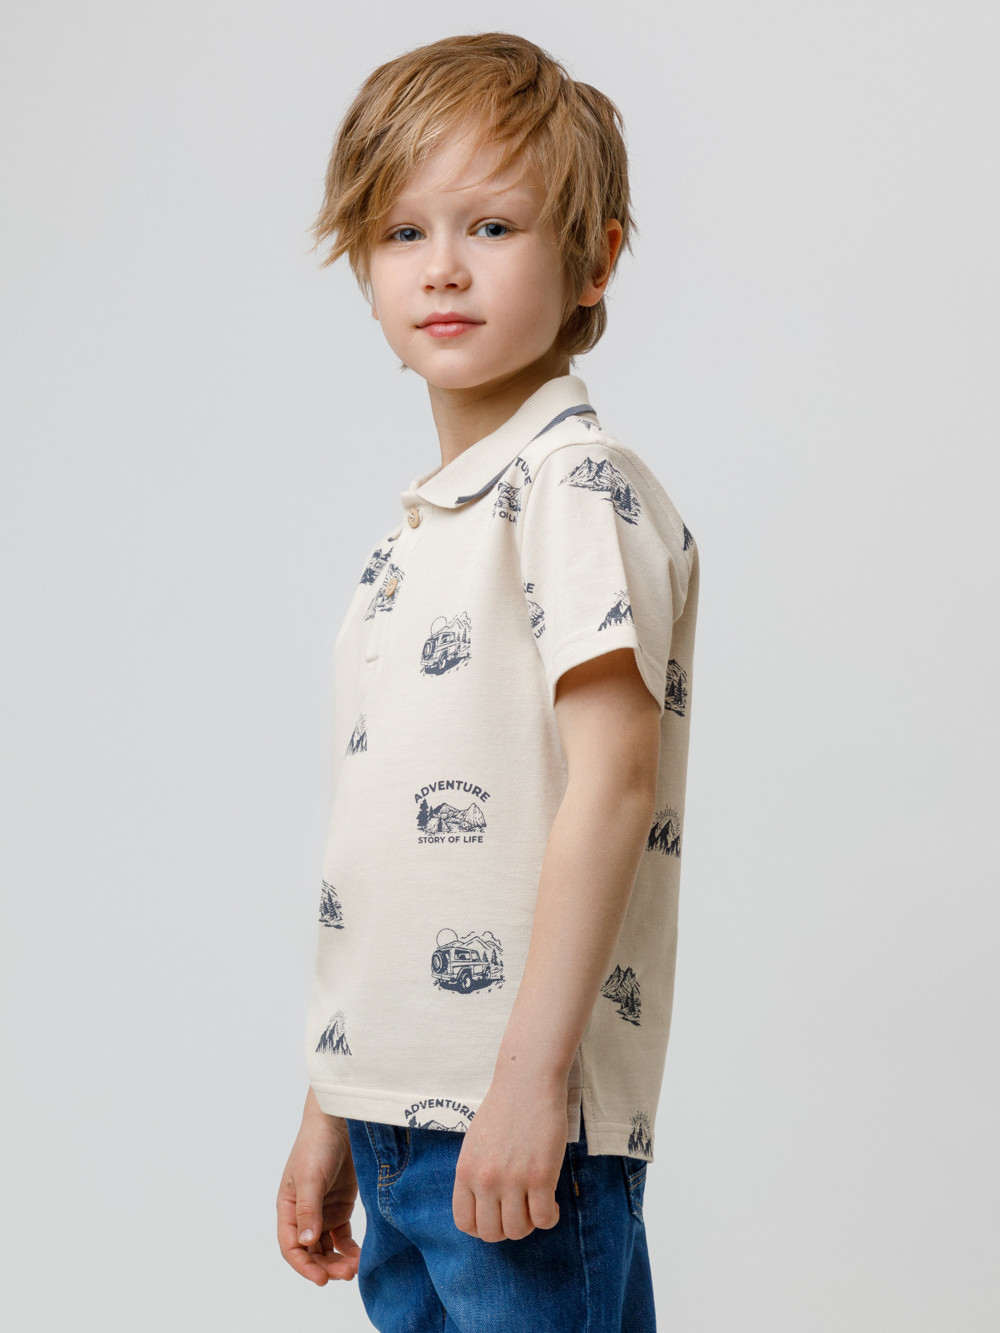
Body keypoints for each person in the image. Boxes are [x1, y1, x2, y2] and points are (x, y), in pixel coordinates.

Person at [276, 31, 700, 1332]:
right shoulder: (423, 531)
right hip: (398, 1116)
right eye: (403, 230)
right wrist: (334, 1104)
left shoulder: (568, 486)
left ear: (594, 259)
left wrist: (531, 1084)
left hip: (516, 1115)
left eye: (494, 225)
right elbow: (389, 860)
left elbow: (614, 782)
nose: (442, 266)